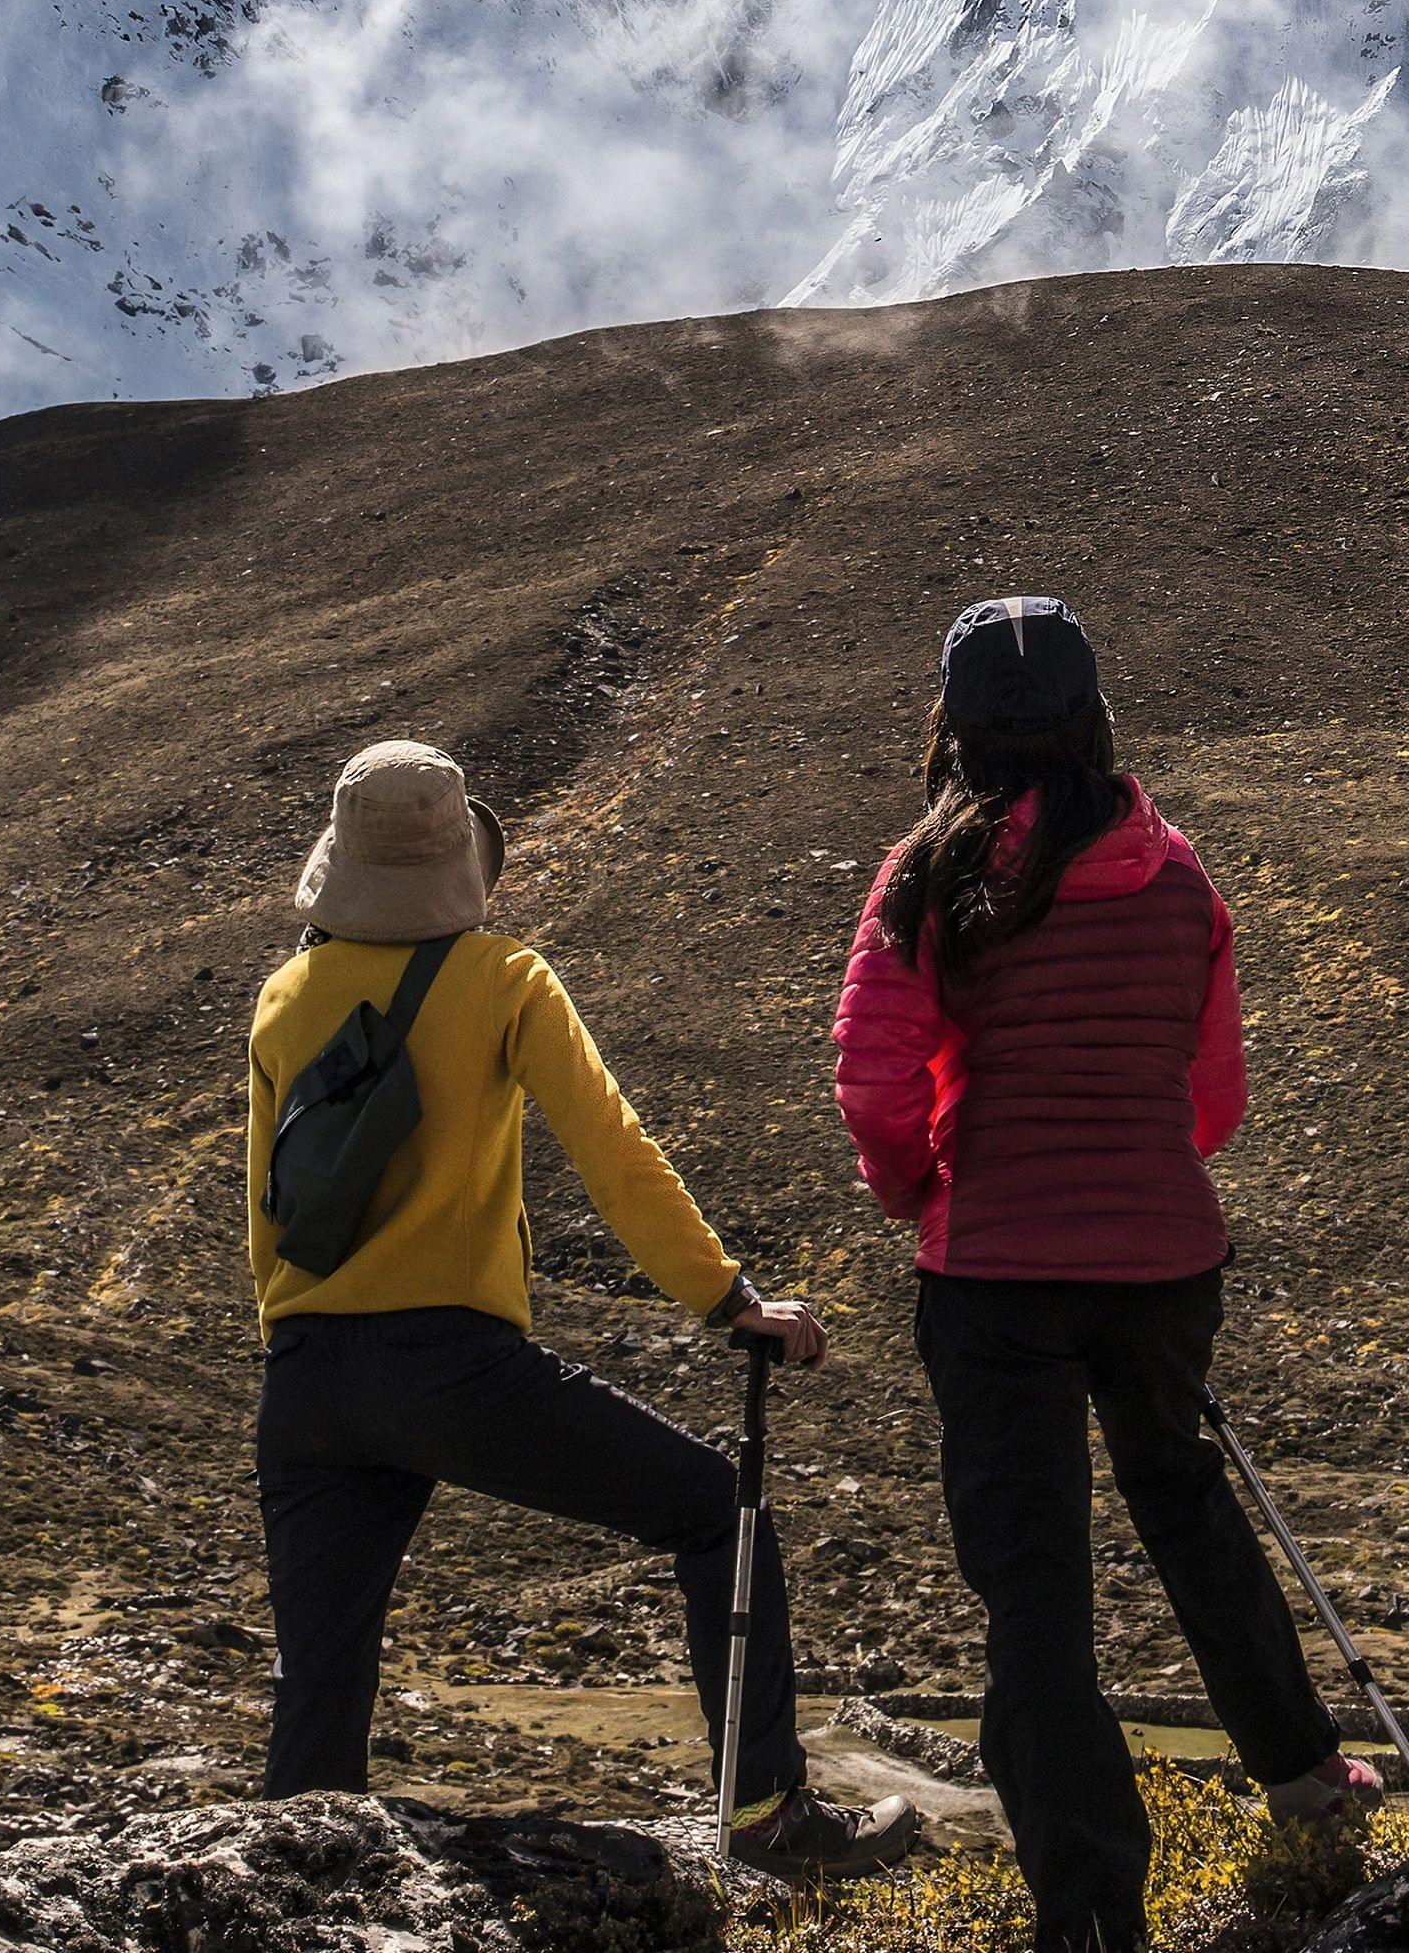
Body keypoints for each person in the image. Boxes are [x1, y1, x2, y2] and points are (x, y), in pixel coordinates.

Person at [248, 737, 915, 1877]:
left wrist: (306, 1347)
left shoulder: (284, 993)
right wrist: (728, 1294)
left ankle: (291, 1887)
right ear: (460, 858)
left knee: (321, 1681)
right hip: (449, 1365)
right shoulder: (504, 979)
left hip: (304, 1376)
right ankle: (766, 1815)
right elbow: (615, 1152)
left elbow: (267, 1206)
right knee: (716, 1511)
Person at [832, 597, 1378, 1953]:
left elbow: (873, 1079)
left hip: (995, 1271)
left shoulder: (929, 877)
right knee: (1188, 1504)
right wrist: (1135, 1158)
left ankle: (1087, 1911)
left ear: (954, 733)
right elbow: (1214, 1101)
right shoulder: (1176, 874)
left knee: (1034, 1588)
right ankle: (1307, 1778)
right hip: (1160, 1261)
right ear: (1094, 720)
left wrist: (923, 1194)